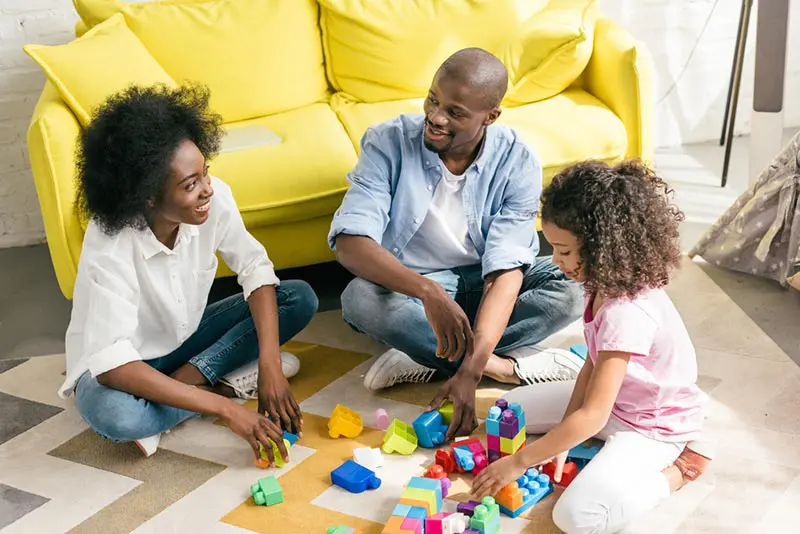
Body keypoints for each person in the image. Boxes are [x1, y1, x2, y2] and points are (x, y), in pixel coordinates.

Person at [328, 48, 584, 439]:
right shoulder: (387, 141)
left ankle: (434, 355)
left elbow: (506, 268)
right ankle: (503, 365)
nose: (435, 117)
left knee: (579, 284)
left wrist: (470, 370)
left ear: (491, 117)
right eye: (433, 99)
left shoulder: (517, 160)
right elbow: (349, 242)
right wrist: (428, 292)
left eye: (456, 112)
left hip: (486, 282)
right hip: (415, 287)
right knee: (359, 299)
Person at [59, 84, 318, 461]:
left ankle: (186, 386)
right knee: (116, 415)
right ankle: (219, 390)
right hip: (124, 366)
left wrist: (270, 366)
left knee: (298, 298)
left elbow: (255, 268)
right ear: (147, 195)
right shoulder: (110, 242)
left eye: (205, 173)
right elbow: (112, 366)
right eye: (190, 184)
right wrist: (227, 411)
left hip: (184, 341)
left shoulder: (213, 199)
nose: (207, 190)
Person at [471, 160, 713, 534]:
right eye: (553, 248)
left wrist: (519, 463)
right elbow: (591, 365)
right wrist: (561, 437)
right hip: (615, 400)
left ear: (602, 247)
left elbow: (594, 415)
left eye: (564, 252)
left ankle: (677, 473)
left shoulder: (626, 312)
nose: (555, 261)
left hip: (651, 425)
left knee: (576, 517)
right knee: (503, 415)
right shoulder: (602, 281)